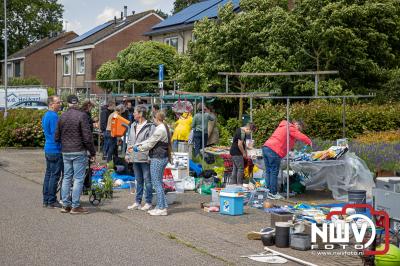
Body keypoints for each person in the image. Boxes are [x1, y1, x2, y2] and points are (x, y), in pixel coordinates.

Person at [55, 95, 96, 214]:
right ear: (77, 103)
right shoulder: (82, 116)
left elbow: (56, 137)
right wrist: (92, 152)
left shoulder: (62, 116)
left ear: (67, 104)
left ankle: (65, 205)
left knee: (67, 177)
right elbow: (87, 137)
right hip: (79, 150)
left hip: (66, 151)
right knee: (78, 179)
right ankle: (75, 206)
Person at [134, 111, 172, 216]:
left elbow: (150, 143)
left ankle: (162, 208)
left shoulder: (160, 129)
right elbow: (150, 140)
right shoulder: (163, 127)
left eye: (153, 118)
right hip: (161, 157)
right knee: (158, 182)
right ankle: (161, 205)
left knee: (157, 183)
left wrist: (138, 148)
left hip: (158, 158)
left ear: (156, 118)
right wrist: (138, 144)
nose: (153, 120)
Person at [262, 120, 312, 195]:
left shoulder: (283, 126)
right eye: (300, 128)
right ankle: (273, 193)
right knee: (273, 172)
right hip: (274, 150)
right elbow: (300, 136)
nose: (299, 130)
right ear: (297, 124)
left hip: (266, 147)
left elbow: (285, 140)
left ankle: (268, 191)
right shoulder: (290, 128)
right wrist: (309, 141)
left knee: (268, 171)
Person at [125, 105, 155, 211]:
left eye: (135, 112)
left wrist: (149, 156)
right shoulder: (133, 125)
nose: (133, 114)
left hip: (144, 157)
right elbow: (130, 141)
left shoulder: (150, 126)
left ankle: (148, 202)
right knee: (138, 180)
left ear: (141, 114)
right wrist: (128, 154)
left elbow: (151, 143)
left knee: (148, 180)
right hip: (134, 157)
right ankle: (137, 202)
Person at [41, 95, 63, 208]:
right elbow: (56, 134)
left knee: (49, 174)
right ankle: (51, 200)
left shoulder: (45, 115)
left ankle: (45, 199)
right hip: (55, 149)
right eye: (58, 102)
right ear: (51, 104)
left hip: (48, 148)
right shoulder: (54, 116)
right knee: (54, 176)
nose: (60, 104)